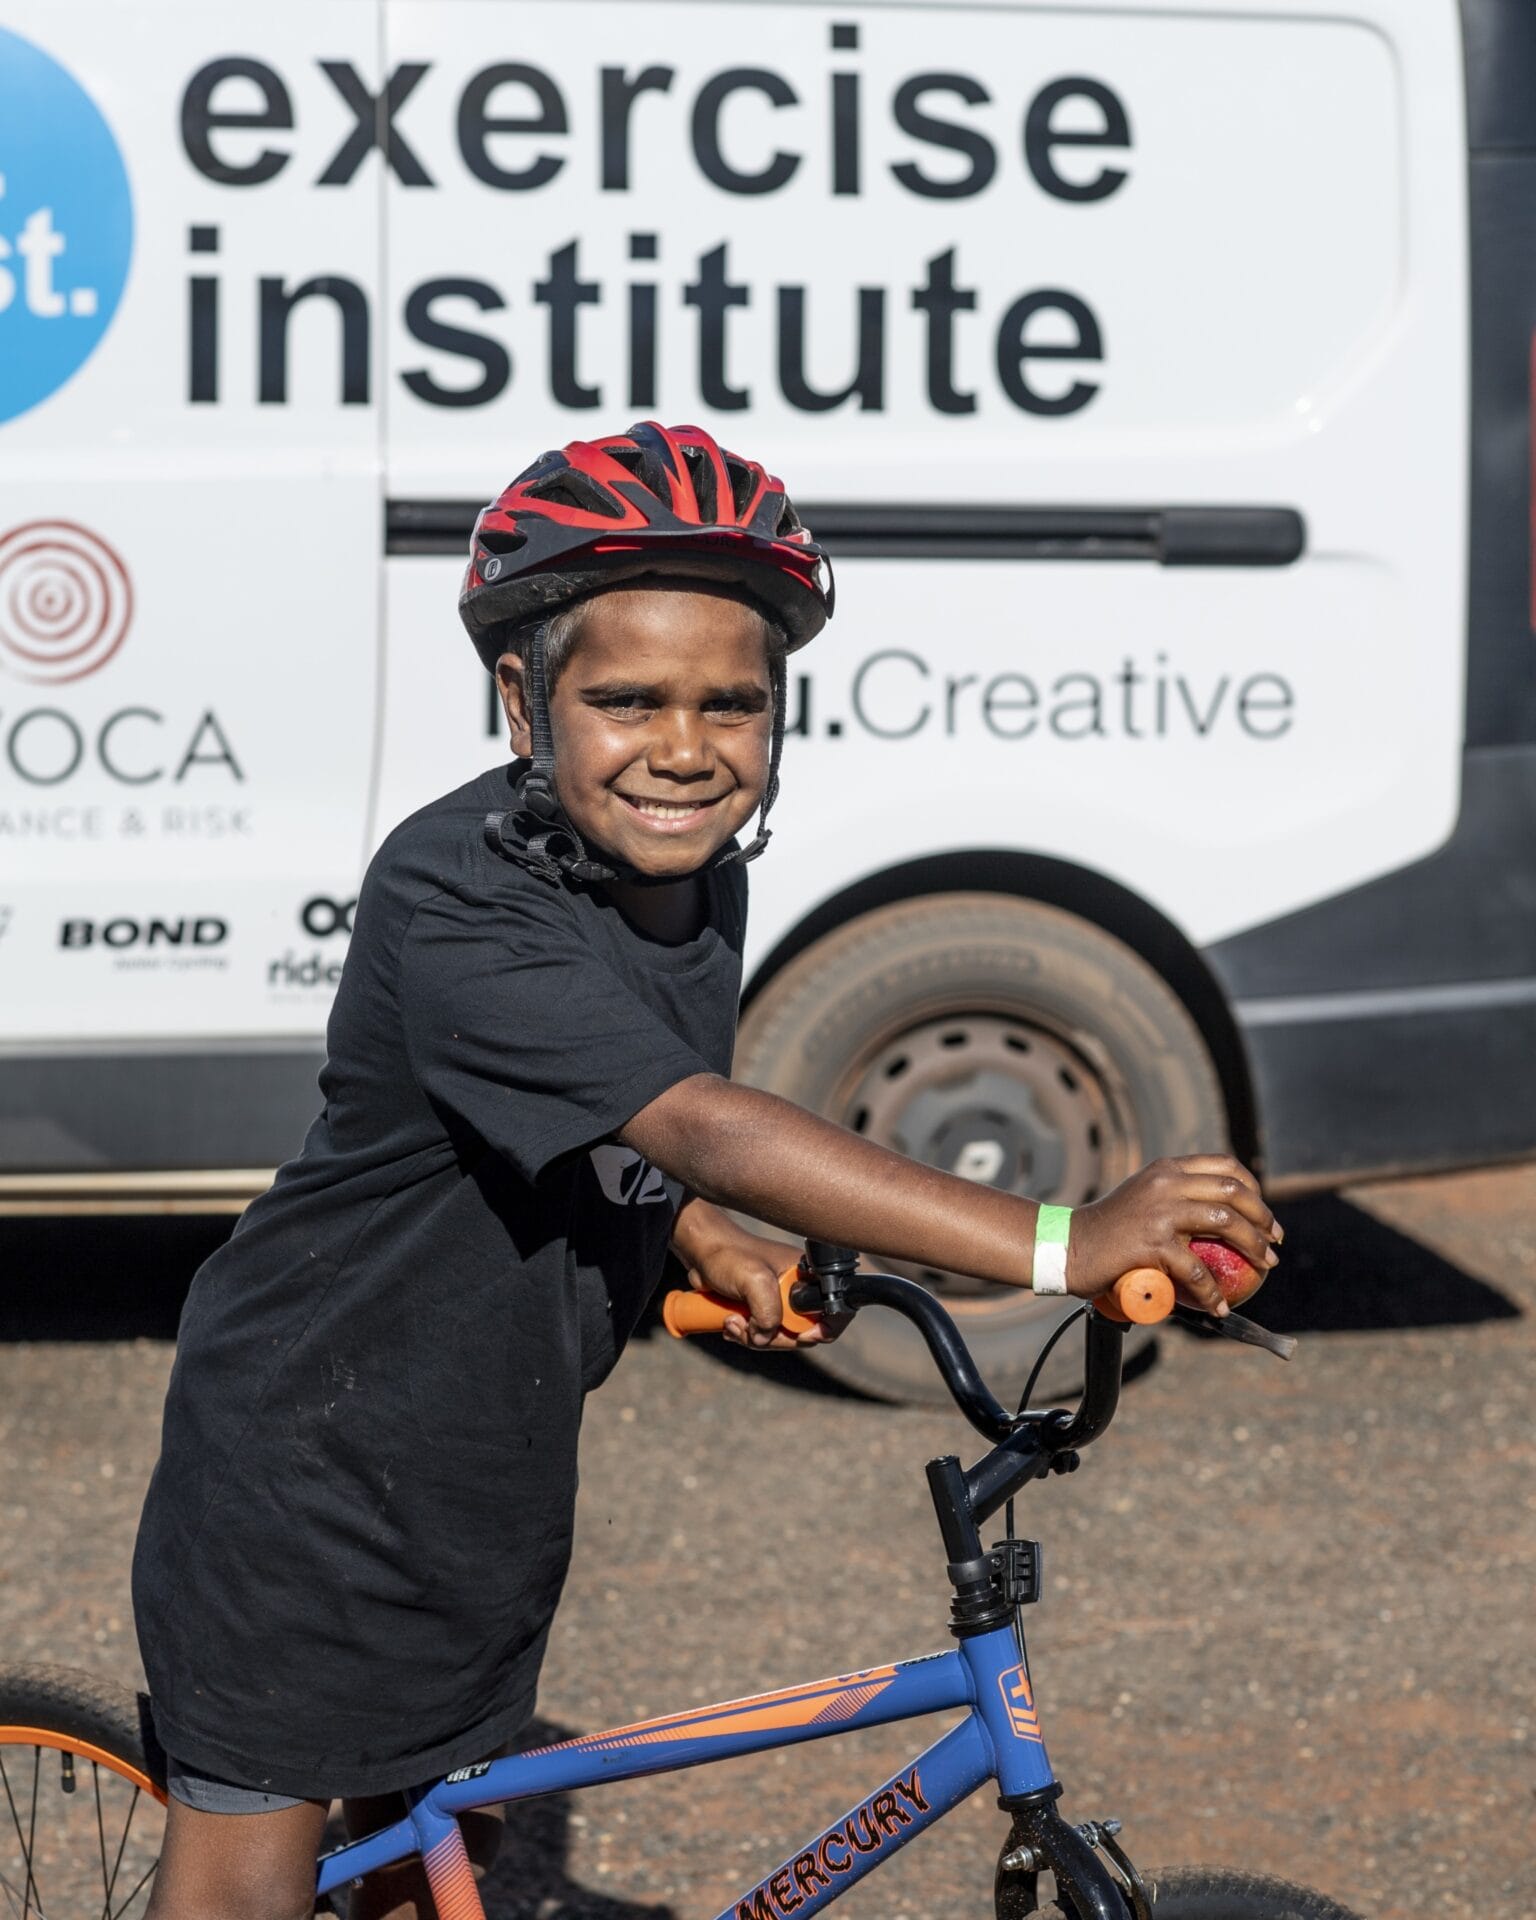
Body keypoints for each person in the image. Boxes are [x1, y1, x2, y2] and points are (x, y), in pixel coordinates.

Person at [134, 422, 1281, 1920]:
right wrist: (1063, 1239)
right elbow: (698, 1121)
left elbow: (608, 1116)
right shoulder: (456, 897)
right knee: (252, 1884)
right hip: (307, 1467)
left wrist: (706, 1241)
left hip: (483, 1463)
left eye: (731, 703)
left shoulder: (688, 873)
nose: (684, 749)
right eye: (626, 700)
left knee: (439, 1845)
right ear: (520, 699)